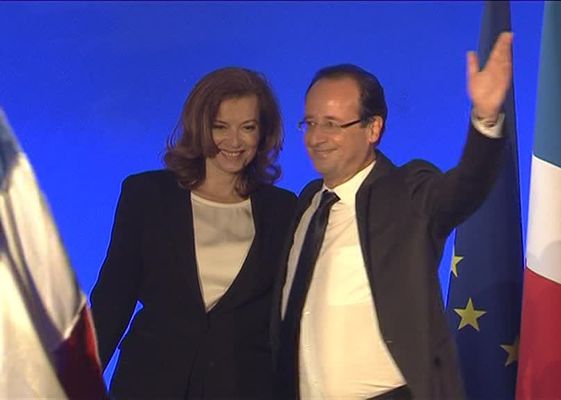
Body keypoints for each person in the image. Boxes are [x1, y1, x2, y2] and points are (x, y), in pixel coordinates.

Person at [272, 32, 514, 400]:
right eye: (310, 122)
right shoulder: (307, 202)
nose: (316, 138)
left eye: (333, 124)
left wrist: (485, 119)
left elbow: (464, 190)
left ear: (373, 128)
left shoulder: (408, 190)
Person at [91, 67, 297, 399]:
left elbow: (287, 317)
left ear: (263, 133)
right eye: (220, 127)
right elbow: (113, 298)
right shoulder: (146, 195)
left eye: (248, 127)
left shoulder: (283, 209)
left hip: (244, 386)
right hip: (151, 383)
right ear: (200, 126)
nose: (234, 141)